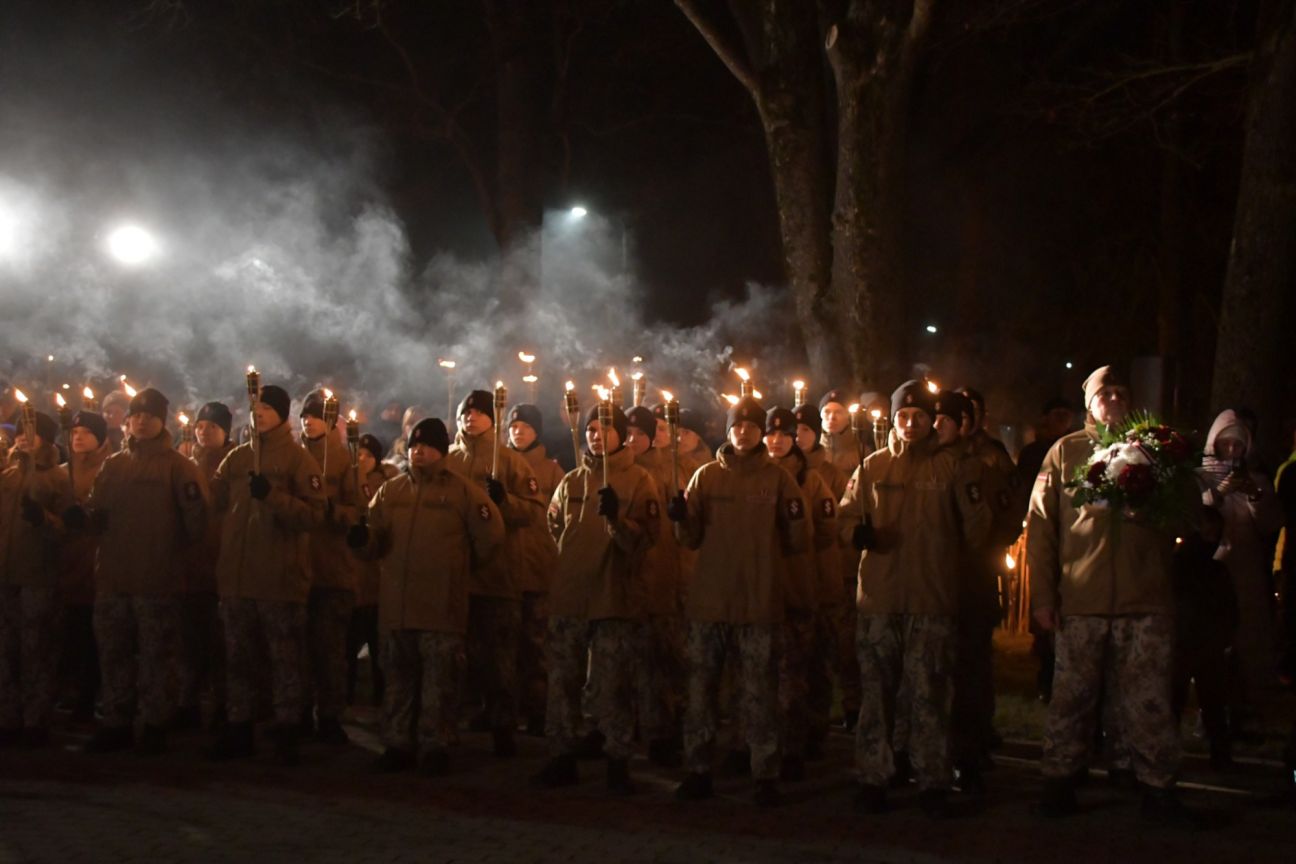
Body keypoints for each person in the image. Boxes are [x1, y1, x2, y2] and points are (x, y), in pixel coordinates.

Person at [1028, 365, 1196, 824]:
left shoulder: (1158, 450)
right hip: (1083, 599)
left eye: (1123, 392)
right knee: (1072, 696)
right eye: (1107, 393)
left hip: (1145, 600)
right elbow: (1042, 529)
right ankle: (1059, 782)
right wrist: (1043, 596)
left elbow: (1185, 516)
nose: (1115, 399)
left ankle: (1158, 788)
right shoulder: (1066, 453)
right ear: (1090, 403)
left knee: (1148, 699)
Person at [840, 381, 991, 818]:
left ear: (933, 422)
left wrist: (972, 492)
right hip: (880, 600)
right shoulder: (872, 467)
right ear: (892, 419)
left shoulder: (952, 468)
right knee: (877, 694)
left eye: (920, 417)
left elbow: (977, 532)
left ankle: (932, 780)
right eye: (903, 416)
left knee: (929, 693)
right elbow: (846, 517)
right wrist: (856, 533)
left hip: (931, 599)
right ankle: (873, 777)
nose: (910, 423)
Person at [669, 396, 809, 807]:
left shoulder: (780, 479)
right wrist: (680, 517)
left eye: (752, 426)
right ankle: (698, 769)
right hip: (710, 602)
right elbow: (689, 538)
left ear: (761, 433)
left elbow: (798, 537)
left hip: (758, 602)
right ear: (728, 431)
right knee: (702, 691)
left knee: (759, 693)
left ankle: (764, 772)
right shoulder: (706, 477)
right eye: (737, 426)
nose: (744, 432)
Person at [348, 418, 504, 775]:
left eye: (428, 446)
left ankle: (436, 745)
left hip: (440, 606)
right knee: (398, 679)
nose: (419, 451)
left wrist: (462, 571)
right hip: (398, 605)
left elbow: (490, 537)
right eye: (416, 445)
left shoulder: (463, 493)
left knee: (440, 681)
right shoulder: (392, 491)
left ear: (442, 451)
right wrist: (362, 540)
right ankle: (398, 742)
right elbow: (375, 538)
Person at [72, 388, 208, 755]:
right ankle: (115, 720)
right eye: (136, 414)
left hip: (157, 579)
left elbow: (198, 524)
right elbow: (96, 513)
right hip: (114, 577)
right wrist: (83, 518)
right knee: (113, 653)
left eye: (149, 414)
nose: (142, 420)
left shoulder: (179, 467)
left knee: (155, 656)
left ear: (161, 420)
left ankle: (154, 724)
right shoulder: (114, 465)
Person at [534, 404, 660, 793]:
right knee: (563, 680)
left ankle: (617, 759)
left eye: (604, 429)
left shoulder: (640, 480)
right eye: (589, 428)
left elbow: (646, 539)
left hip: (612, 597)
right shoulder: (572, 481)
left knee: (610, 683)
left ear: (621, 435)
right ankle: (562, 754)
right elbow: (555, 525)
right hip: (571, 596)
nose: (595, 435)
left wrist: (618, 521)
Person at [205, 384, 325, 765]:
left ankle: (288, 727)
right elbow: (216, 503)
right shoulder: (237, 459)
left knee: (284, 656)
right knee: (239, 656)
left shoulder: (298, 460)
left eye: (267, 409)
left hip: (279, 577)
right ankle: (239, 724)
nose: (259, 414)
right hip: (238, 577)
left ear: (282, 415)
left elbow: (313, 515)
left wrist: (273, 496)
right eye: (255, 407)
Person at [446, 390, 545, 757]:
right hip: (457, 576)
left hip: (498, 575)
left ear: (493, 419)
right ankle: (449, 724)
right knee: (455, 655)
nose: (470, 418)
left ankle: (503, 725)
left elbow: (535, 513)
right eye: (465, 412)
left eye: (478, 412)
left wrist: (505, 501)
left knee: (500, 656)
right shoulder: (448, 462)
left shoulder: (510, 462)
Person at [1198, 409, 1284, 732]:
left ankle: (1247, 712)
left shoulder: (1256, 479)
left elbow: (1270, 522)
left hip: (1245, 571)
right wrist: (1219, 491)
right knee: (1214, 645)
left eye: (1238, 445)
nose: (1232, 452)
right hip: (1212, 571)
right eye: (1226, 445)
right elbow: (1197, 516)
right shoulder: (1202, 476)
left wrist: (1253, 495)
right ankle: (1210, 716)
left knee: (1248, 640)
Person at [764, 406, 838, 781]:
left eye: (784, 435)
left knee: (795, 671)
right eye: (770, 434)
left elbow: (825, 531)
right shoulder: (753, 475)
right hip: (757, 590)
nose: (776, 441)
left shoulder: (811, 482)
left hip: (795, 585)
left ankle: (795, 743)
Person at [0, 408, 73, 747]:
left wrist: (43, 519)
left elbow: (68, 530)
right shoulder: (6, 475)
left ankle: (35, 719)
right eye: (19, 433)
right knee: (6, 650)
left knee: (36, 649)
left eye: (32, 433)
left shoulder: (58, 477)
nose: (22, 440)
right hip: (5, 574)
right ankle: (8, 715)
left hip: (38, 575)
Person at [299, 390, 361, 744]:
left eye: (316, 416)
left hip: (332, 568)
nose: (309, 422)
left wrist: (333, 513)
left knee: (330, 650)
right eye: (305, 417)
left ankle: (331, 716)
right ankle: (300, 713)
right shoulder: (293, 456)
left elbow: (357, 511)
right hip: (298, 567)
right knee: (299, 648)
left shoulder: (344, 460)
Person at [627, 405, 687, 766]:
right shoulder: (615, 471)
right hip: (624, 579)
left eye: (640, 434)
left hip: (660, 575)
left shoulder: (668, 470)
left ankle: (662, 730)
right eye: (628, 433)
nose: (633, 440)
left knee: (658, 661)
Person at [794, 402, 853, 747]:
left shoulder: (829, 474)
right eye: (793, 431)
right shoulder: (778, 472)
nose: (797, 437)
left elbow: (834, 526)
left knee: (823, 652)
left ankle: (820, 720)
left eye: (804, 431)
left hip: (822, 573)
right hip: (791, 579)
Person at [176, 402, 235, 731]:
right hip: (189, 566)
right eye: (200, 425)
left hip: (220, 566)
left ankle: (223, 704)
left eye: (211, 426)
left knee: (220, 643)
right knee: (188, 642)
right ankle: (188, 702)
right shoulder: (183, 463)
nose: (203, 431)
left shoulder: (233, 464)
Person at [506, 404, 563, 736]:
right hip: (506, 566)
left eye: (525, 427)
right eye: (514, 426)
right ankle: (505, 709)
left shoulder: (552, 472)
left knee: (536, 643)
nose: (518, 432)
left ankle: (539, 708)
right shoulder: (500, 464)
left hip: (538, 563)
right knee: (506, 644)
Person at [1170, 508, 1237, 769]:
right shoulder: (1187, 565)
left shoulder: (1207, 567)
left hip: (1199, 640)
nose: (1213, 538)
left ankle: (1217, 754)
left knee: (1210, 702)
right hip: (1189, 639)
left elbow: (1228, 606)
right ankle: (1216, 755)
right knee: (1194, 699)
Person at [57, 412, 111, 724]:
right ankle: (69, 693)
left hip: (95, 566)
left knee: (94, 637)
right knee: (70, 636)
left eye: (86, 432)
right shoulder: (60, 474)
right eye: (75, 432)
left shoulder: (109, 471)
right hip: (66, 565)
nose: (78, 437)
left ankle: (90, 696)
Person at [347, 433, 395, 707]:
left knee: (378, 642)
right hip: (353, 575)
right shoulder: (348, 480)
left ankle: (381, 693)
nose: (361, 459)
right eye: (358, 454)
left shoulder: (384, 486)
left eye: (367, 455)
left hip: (376, 579)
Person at [819, 389, 864, 478]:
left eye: (838, 412)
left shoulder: (861, 452)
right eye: (827, 412)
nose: (832, 417)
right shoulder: (812, 450)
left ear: (849, 418)